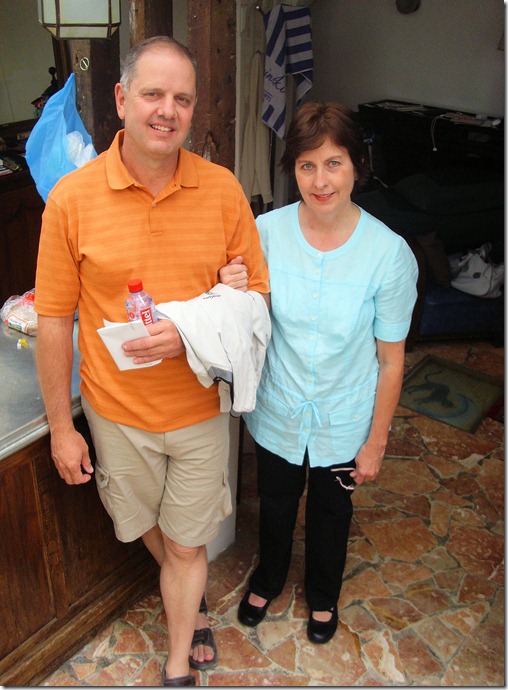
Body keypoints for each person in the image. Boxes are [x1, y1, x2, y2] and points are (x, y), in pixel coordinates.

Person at [34, 36, 269, 687]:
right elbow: (53, 318)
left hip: (199, 410)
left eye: (182, 99)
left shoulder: (222, 190)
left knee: (188, 543)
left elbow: (258, 298)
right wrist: (61, 428)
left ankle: (177, 660)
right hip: (114, 414)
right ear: (121, 99)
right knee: (140, 523)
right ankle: (189, 599)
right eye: (154, 94)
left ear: (193, 109)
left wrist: (191, 331)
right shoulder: (72, 200)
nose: (168, 110)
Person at [221, 102, 418, 645]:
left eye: (334, 164)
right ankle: (268, 578)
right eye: (307, 166)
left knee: (332, 510)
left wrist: (376, 441)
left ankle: (324, 594)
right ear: (293, 169)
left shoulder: (389, 254)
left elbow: (391, 360)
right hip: (279, 405)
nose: (320, 181)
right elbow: (246, 314)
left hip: (345, 414)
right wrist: (232, 284)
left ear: (357, 165)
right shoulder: (264, 233)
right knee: (276, 502)